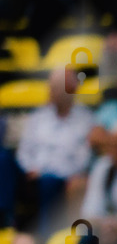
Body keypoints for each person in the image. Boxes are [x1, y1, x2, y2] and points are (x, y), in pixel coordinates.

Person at [14, 68, 93, 234]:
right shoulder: (38, 117)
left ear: (72, 90)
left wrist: (63, 173)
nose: (53, 93)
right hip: (37, 175)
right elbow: (24, 151)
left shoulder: (86, 119)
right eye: (52, 88)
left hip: (69, 176)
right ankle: (14, 222)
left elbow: (84, 157)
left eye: (58, 88)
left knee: (53, 182)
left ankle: (48, 234)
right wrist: (31, 168)